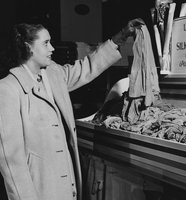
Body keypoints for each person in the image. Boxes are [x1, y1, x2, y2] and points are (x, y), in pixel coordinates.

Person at [0, 18, 144, 200]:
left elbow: (86, 68)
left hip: (68, 188)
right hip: (40, 190)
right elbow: (12, 163)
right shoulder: (7, 89)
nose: (52, 48)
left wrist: (119, 37)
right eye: (46, 43)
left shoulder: (53, 73)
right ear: (28, 47)